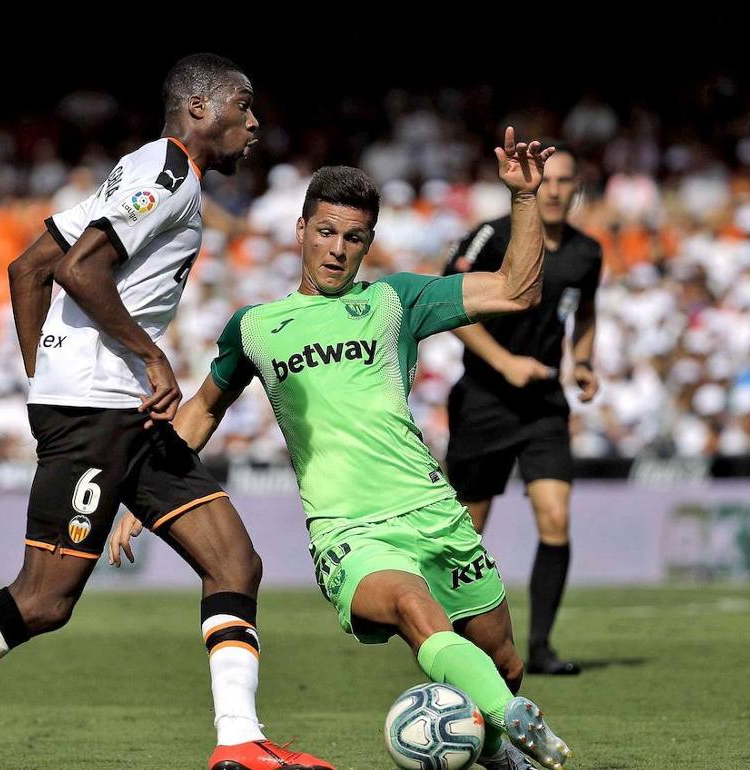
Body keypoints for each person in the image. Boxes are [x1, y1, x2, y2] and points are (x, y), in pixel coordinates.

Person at [0, 53, 333, 770]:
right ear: (198, 108)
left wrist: (50, 372)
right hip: (102, 408)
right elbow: (76, 269)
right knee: (43, 600)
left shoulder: (141, 170)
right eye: (242, 107)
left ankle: (238, 742)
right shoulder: (166, 176)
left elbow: (26, 267)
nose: (253, 123)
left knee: (233, 560)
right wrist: (141, 361)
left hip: (115, 406)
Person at [112, 129, 573, 770]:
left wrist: (523, 200)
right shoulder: (257, 328)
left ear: (369, 244)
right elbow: (204, 409)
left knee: (503, 661)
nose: (337, 249)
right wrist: (149, 485)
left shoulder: (396, 301)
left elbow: (517, 291)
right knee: (415, 607)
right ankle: (511, 719)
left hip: (432, 512)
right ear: (301, 228)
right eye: (326, 232)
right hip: (349, 529)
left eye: (353, 238)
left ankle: (498, 733)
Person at [442, 144, 601, 675]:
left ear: (576, 188)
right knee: (467, 532)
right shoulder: (493, 235)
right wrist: (505, 362)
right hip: (484, 400)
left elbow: (586, 314)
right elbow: (448, 303)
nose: (553, 191)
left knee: (556, 518)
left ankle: (542, 647)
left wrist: (581, 361)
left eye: (564, 181)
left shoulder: (587, 253)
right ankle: (448, 644)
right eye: (546, 180)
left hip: (542, 405)